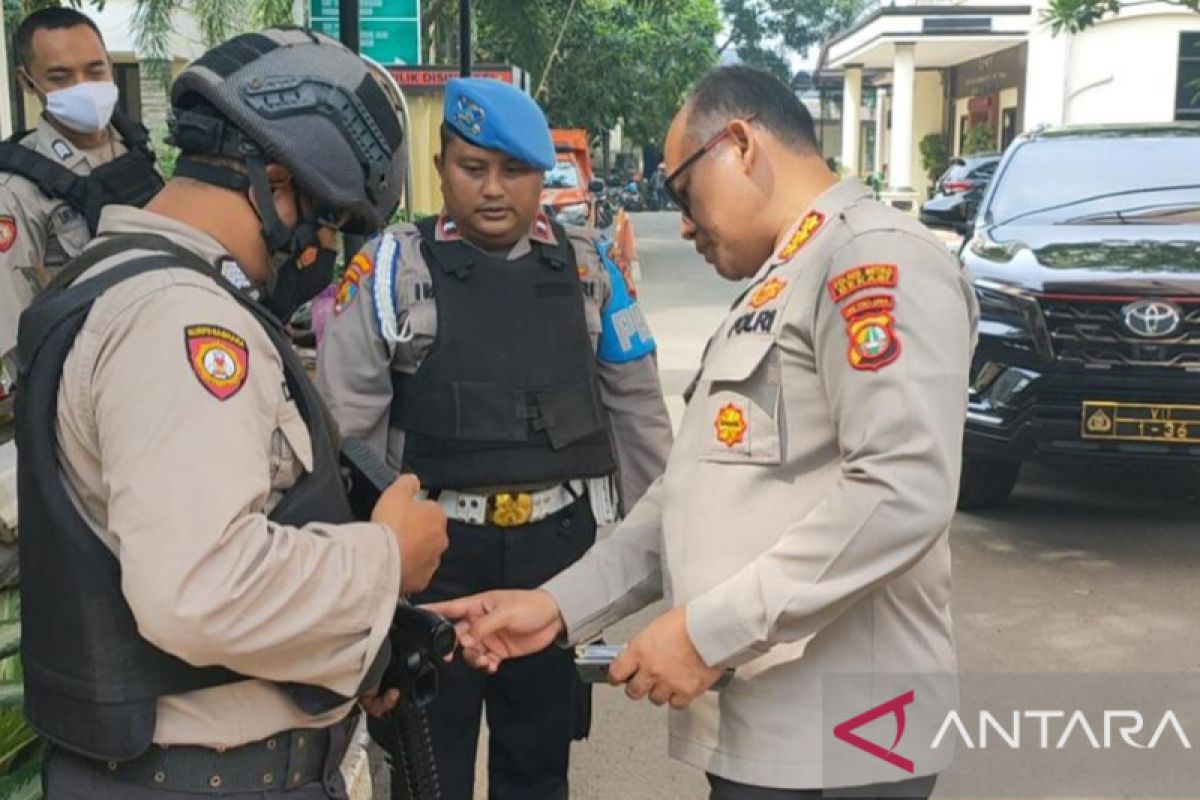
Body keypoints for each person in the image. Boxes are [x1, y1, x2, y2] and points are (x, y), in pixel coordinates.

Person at [431, 65, 979, 800]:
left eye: (684, 193)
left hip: (848, 740)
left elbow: (901, 490)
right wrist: (558, 606)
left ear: (743, 145)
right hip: (772, 733)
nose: (682, 224)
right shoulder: (783, 278)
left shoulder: (870, 261)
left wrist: (702, 634)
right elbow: (684, 500)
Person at [16, 28, 448, 798]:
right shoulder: (179, 322)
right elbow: (200, 587)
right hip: (207, 777)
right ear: (275, 181)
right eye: (333, 221)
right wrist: (387, 558)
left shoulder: (109, 280)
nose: (328, 250)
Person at [316, 77, 672, 800]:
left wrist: (668, 556)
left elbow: (638, 414)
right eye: (471, 168)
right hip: (431, 561)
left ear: (542, 176)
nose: (492, 190)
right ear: (440, 165)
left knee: (539, 768)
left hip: (555, 555)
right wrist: (364, 581)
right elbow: (347, 432)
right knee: (424, 768)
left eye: (514, 171)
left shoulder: (588, 269)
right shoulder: (391, 268)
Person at [0, 7, 165, 583]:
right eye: (61, 77)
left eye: (95, 71)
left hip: (157, 386)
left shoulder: (136, 156)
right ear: (29, 84)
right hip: (76, 410)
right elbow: (10, 335)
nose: (85, 88)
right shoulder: (18, 189)